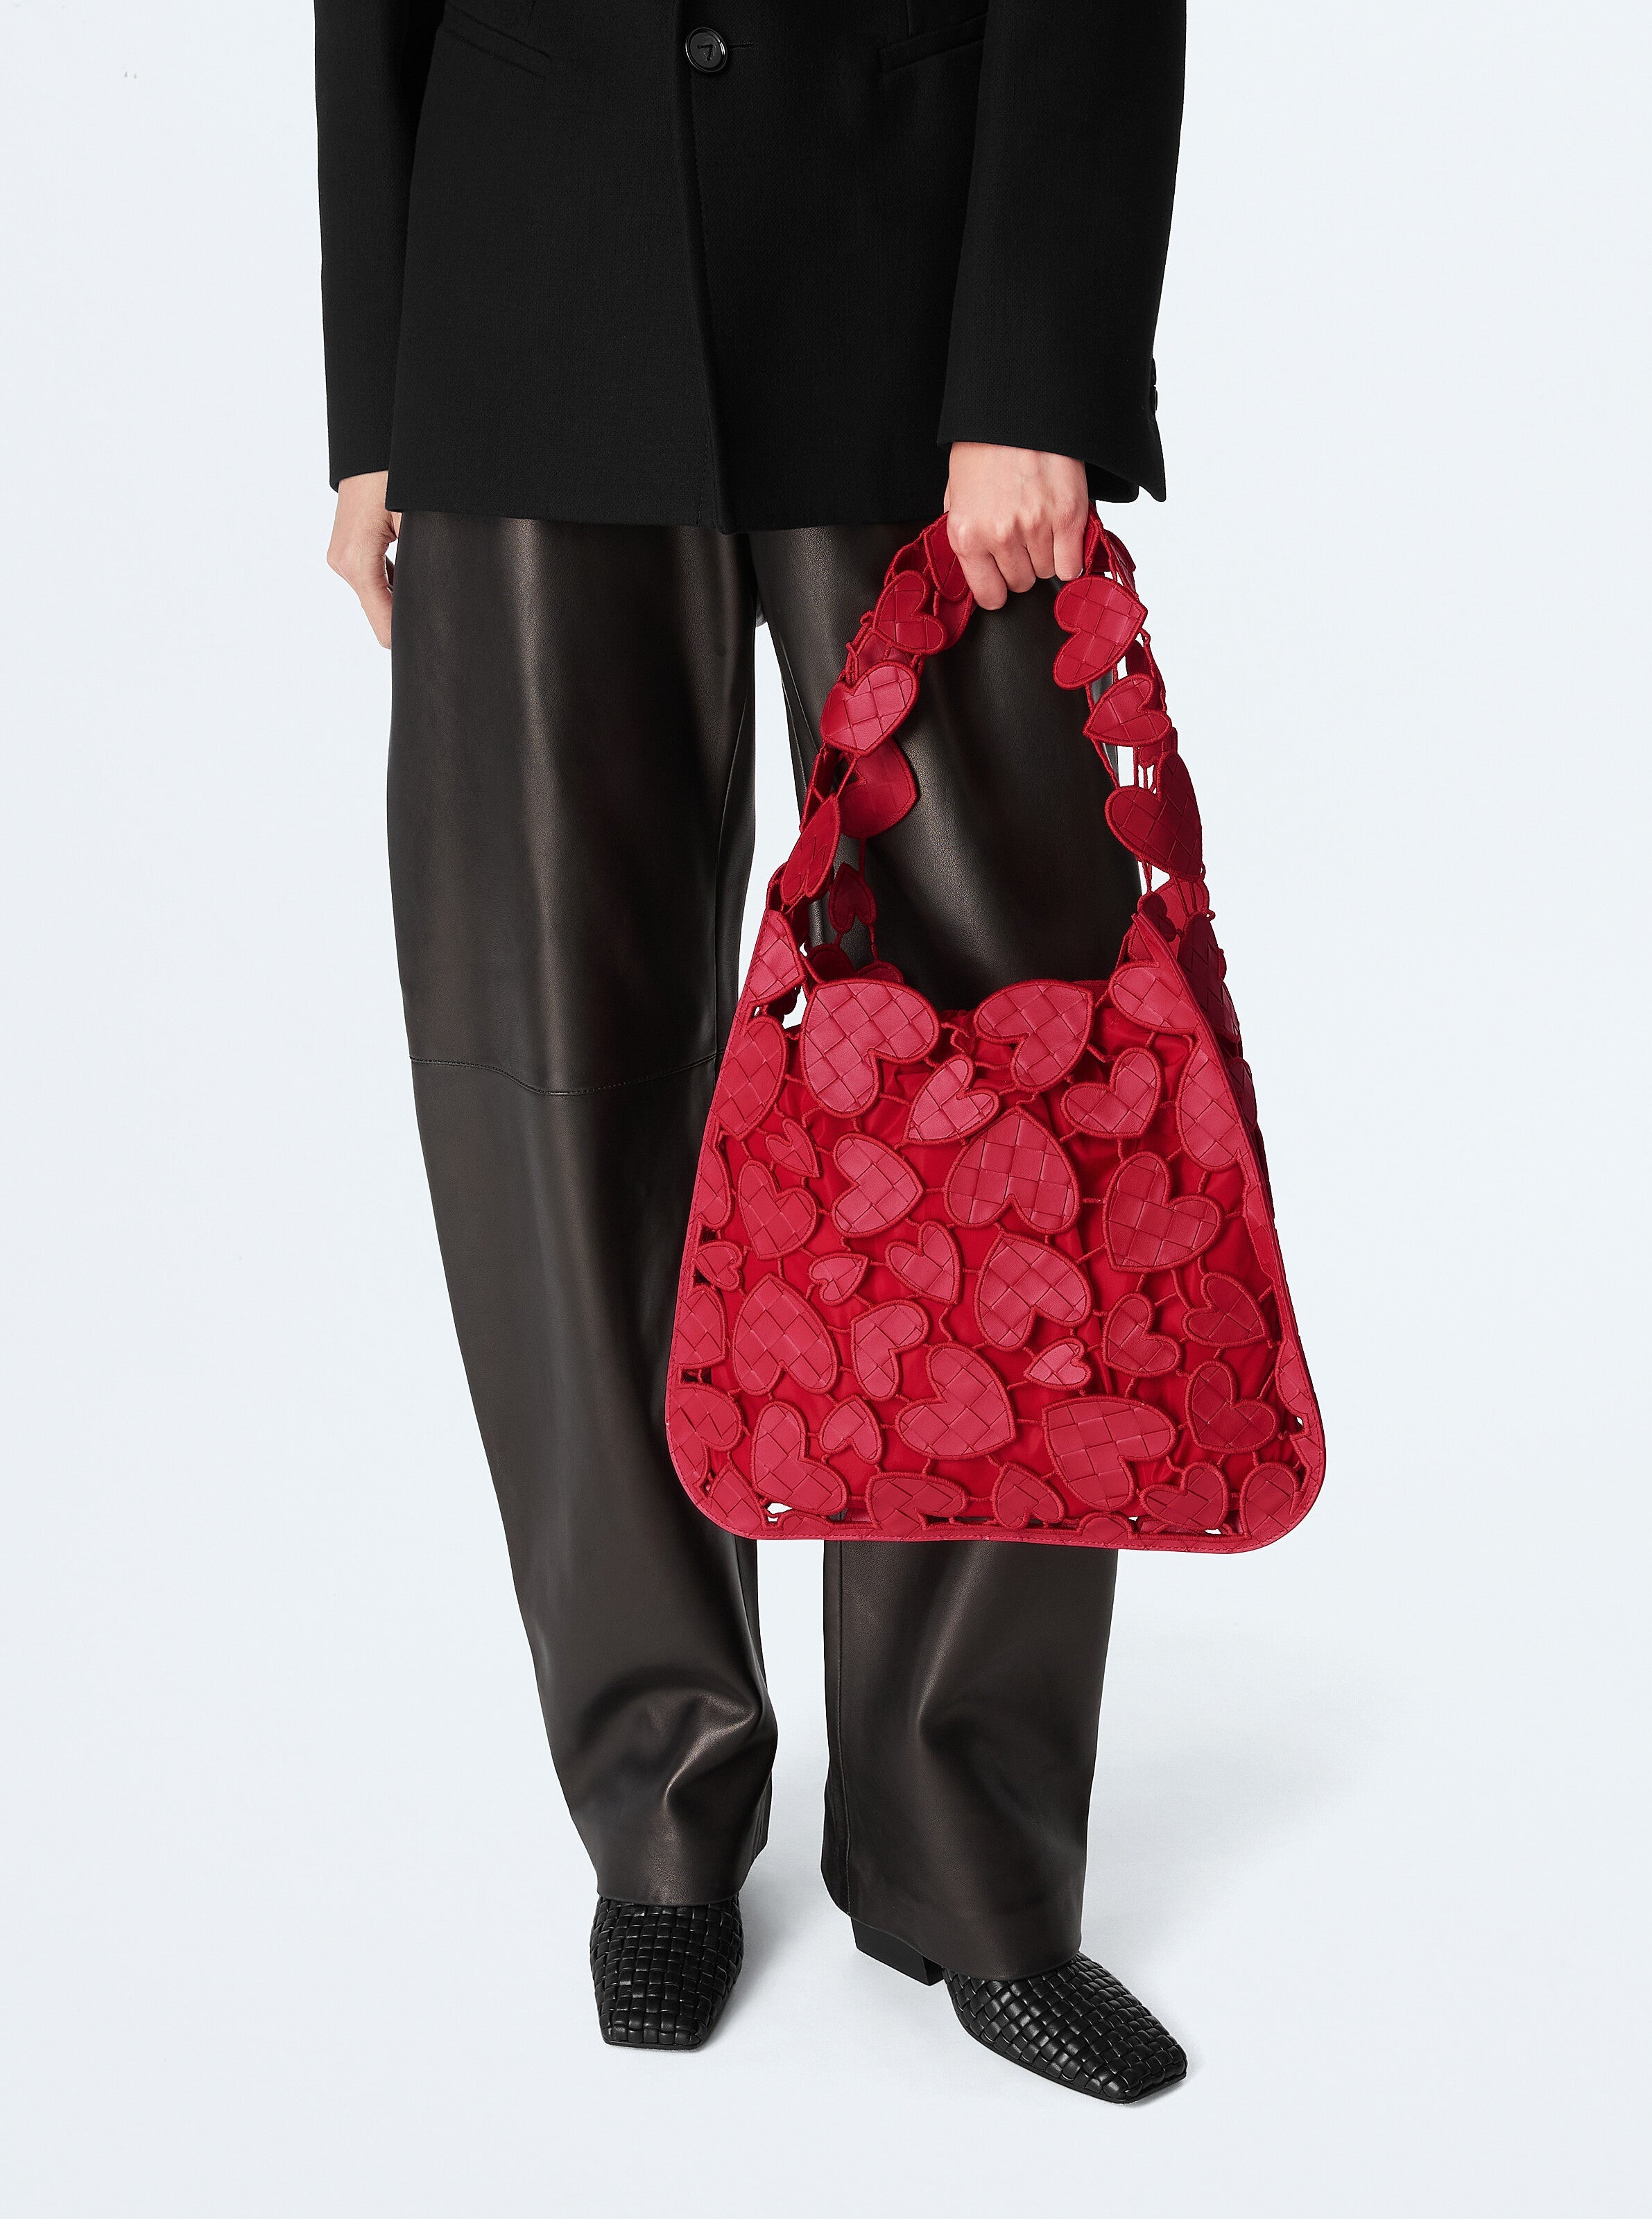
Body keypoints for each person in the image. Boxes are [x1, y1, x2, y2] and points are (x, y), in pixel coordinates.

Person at [314, 1, 1188, 2103]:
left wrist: (1034, 362)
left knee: (1002, 1093)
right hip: (523, 304)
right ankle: (658, 1796)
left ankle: (967, 1852)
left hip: (909, 299)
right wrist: (377, 393)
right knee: (551, 1079)